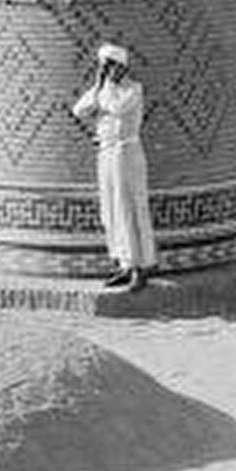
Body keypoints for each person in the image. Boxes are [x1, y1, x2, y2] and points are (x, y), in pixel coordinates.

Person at [72, 43, 157, 291]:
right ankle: (124, 262)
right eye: (104, 66)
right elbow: (80, 110)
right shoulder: (103, 90)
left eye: (111, 66)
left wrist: (102, 89)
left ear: (121, 67)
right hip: (106, 151)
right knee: (111, 209)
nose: (107, 71)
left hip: (126, 152)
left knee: (129, 205)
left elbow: (116, 107)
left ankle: (140, 266)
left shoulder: (133, 90)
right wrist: (99, 86)